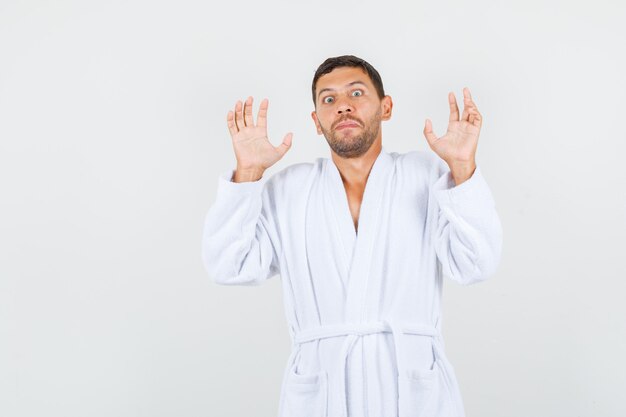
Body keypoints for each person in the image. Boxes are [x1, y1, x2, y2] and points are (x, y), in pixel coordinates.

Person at [201, 55, 503, 417]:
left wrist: (463, 168)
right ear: (316, 121)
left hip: (412, 389)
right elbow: (227, 266)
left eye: (356, 93)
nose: (342, 105)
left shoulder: (426, 176)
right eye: (328, 99)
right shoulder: (289, 189)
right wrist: (248, 172)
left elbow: (476, 264)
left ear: (386, 107)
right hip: (321, 390)